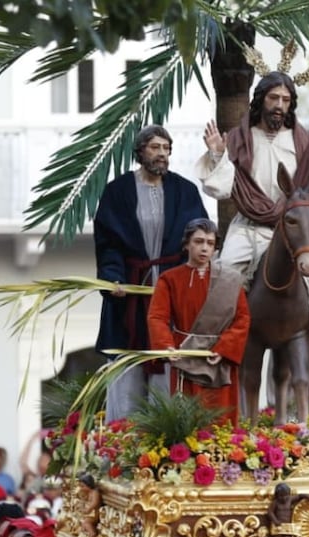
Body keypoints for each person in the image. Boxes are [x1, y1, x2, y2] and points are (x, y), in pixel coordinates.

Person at [198, 70, 309, 376]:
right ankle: (210, 347)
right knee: (225, 273)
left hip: (294, 228)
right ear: (261, 100)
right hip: (249, 226)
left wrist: (306, 220)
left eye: (286, 99)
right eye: (274, 98)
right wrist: (217, 154)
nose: (279, 105)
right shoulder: (240, 138)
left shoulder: (306, 143)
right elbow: (220, 187)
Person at [95, 124, 209, 420]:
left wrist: (192, 281)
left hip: (172, 293)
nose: (162, 154)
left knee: (169, 359)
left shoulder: (185, 191)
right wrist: (112, 279)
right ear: (140, 151)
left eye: (166, 149)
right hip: (132, 293)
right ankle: (124, 438)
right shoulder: (117, 191)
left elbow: (200, 241)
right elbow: (108, 243)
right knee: (128, 365)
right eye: (155, 147)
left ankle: (166, 433)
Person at [147, 218, 251, 423]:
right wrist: (166, 346)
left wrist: (224, 349)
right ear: (186, 244)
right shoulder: (169, 279)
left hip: (219, 359)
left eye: (210, 243)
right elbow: (157, 317)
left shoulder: (230, 279)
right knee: (188, 420)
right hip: (186, 356)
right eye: (198, 241)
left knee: (222, 421)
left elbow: (242, 318)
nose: (204, 248)